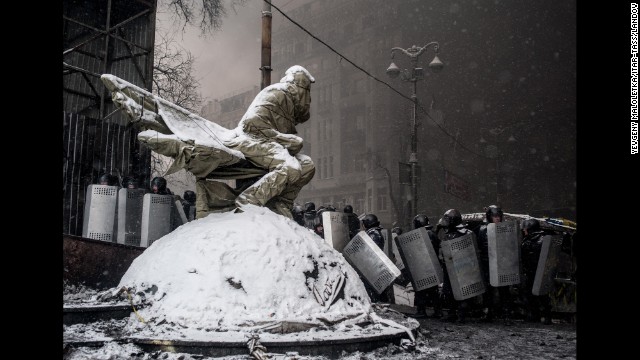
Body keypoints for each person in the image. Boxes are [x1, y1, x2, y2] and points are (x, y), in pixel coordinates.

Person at [226, 65, 316, 218]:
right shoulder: (278, 93)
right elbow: (251, 124)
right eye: (306, 90)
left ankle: (280, 203)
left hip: (265, 144)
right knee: (291, 167)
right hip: (249, 140)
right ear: (300, 86)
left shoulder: (290, 105)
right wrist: (283, 139)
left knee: (307, 165)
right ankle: (249, 200)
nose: (308, 98)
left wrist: (288, 142)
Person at [476, 205, 514, 322]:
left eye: (498, 216)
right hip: (487, 263)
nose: (497, 219)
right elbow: (480, 247)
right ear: (489, 217)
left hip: (502, 263)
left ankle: (506, 314)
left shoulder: (506, 229)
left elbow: (510, 247)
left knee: (504, 290)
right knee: (488, 290)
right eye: (494, 216)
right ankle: (488, 313)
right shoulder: (482, 229)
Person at [439, 208, 474, 323]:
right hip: (449, 267)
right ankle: (451, 313)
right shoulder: (448, 234)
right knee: (448, 291)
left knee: (462, 292)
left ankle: (462, 315)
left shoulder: (467, 234)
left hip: (462, 267)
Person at [521, 218, 553, 325]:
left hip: (538, 271)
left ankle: (545, 315)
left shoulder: (542, 240)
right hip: (531, 271)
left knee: (542, 295)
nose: (524, 231)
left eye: (525, 229)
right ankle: (535, 315)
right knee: (531, 294)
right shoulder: (529, 240)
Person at [412, 214, 444, 319]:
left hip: (424, 265)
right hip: (432, 265)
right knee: (433, 290)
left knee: (421, 289)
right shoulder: (431, 233)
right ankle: (438, 311)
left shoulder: (424, 234)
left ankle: (421, 310)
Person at [361, 214, 390, 303]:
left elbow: (369, 250)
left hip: (373, 265)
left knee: (375, 288)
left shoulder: (374, 234)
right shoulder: (374, 232)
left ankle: (380, 303)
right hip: (374, 265)